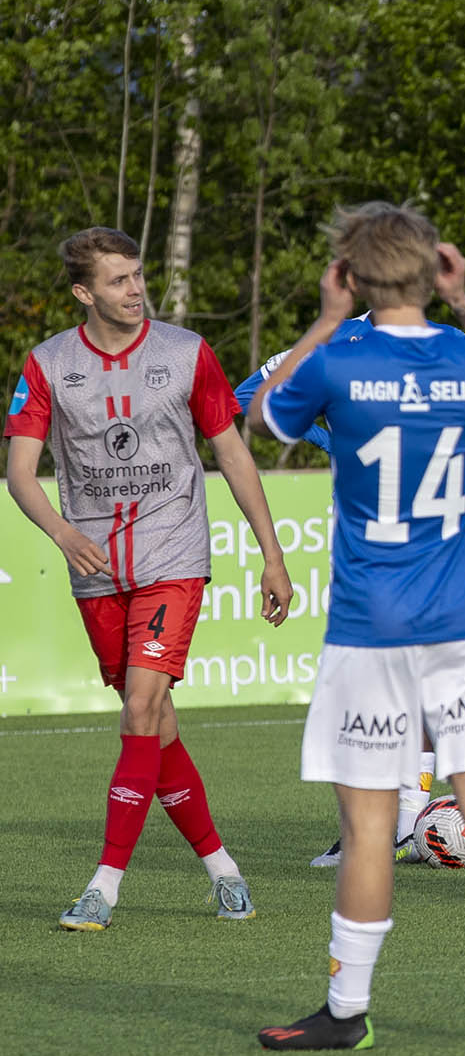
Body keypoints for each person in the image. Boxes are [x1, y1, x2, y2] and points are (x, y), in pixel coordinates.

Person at [249, 201, 465, 1049]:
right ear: (437, 268)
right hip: (463, 623)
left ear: (350, 273)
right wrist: (464, 303)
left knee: (372, 824)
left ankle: (347, 1009)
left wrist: (325, 315)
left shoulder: (338, 367)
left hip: (369, 626)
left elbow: (264, 412)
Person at [6, 226, 291, 931]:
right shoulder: (47, 365)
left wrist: (272, 552)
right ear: (83, 292)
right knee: (154, 724)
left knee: (138, 709)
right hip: (96, 568)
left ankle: (104, 887)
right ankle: (223, 870)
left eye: (139, 275)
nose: (137, 290)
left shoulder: (186, 353)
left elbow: (232, 452)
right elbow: (18, 470)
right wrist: (64, 533)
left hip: (173, 557)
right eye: (119, 280)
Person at [236, 298, 438, 867]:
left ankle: (405, 822)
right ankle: (385, 827)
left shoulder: (444, 342)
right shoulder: (336, 339)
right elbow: (246, 396)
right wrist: (332, 440)